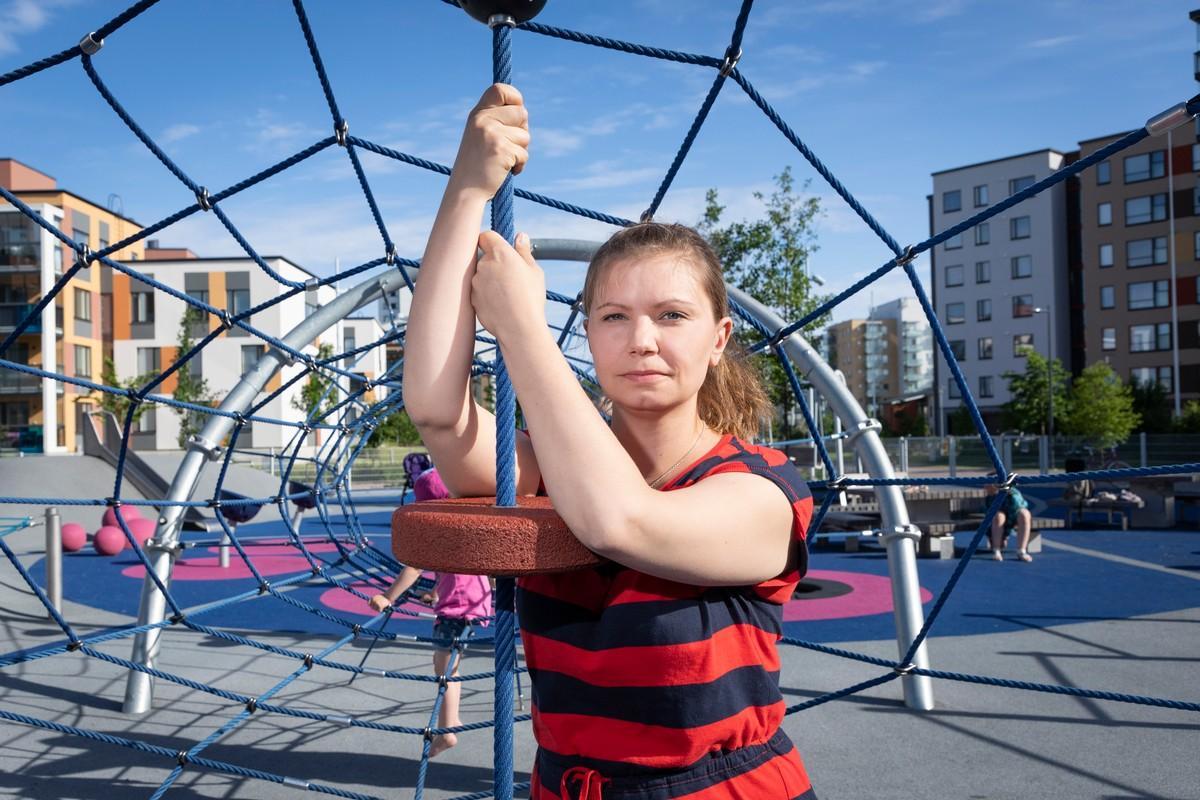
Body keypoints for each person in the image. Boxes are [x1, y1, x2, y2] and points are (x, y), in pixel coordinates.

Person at [403, 83, 816, 799]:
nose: (643, 341)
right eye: (615, 317)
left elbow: (620, 521)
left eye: (672, 315)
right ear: (589, 334)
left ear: (719, 339)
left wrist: (523, 329)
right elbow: (439, 413)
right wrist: (468, 189)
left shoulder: (762, 491)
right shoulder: (547, 465)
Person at [369, 467, 493, 757]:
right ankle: (453, 718)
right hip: (472, 605)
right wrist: (437, 593)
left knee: (443, 670)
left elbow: (414, 566)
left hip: (457, 610)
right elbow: (457, 569)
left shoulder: (437, 534)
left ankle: (447, 730)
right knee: (452, 666)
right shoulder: (466, 527)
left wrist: (387, 597)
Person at [987, 484, 1033, 562]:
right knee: (998, 517)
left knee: (1025, 514)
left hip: (1013, 514)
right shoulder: (990, 495)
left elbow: (1018, 507)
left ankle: (1021, 551)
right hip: (998, 515)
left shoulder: (1013, 493)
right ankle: (996, 550)